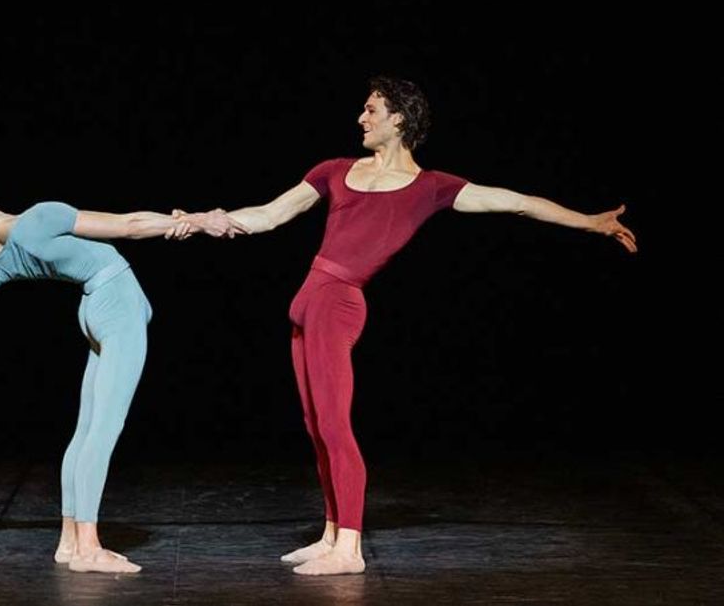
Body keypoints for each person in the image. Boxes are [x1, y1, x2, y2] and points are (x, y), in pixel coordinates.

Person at [177, 76, 637, 575]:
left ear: (399, 118)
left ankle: (349, 549)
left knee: (335, 423)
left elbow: (518, 201)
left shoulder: (430, 188)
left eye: (371, 109)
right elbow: (268, 215)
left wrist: (590, 222)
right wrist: (208, 219)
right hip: (306, 302)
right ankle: (331, 530)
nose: (361, 117)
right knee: (315, 428)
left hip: (338, 303)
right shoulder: (334, 170)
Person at [0, 190, 234, 573]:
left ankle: (69, 541)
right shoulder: (37, 220)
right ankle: (89, 548)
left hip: (94, 308)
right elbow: (128, 225)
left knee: (86, 430)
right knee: (103, 430)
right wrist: (198, 220)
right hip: (115, 305)